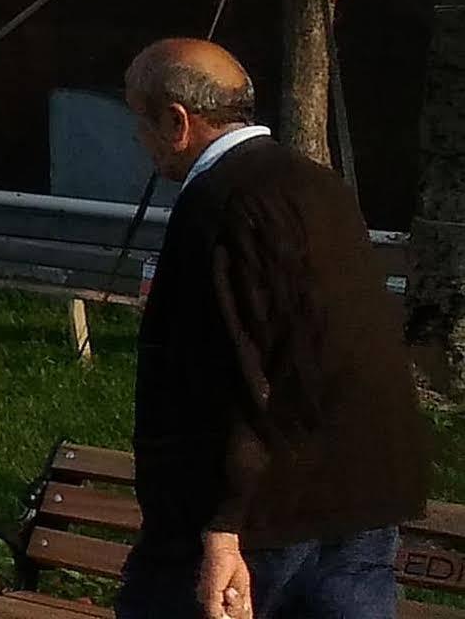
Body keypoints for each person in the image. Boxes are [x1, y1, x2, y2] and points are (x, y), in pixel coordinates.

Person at [115, 39, 423, 619]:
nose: (139, 139)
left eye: (139, 119)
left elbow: (226, 373)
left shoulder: (218, 205)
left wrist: (222, 525)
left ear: (177, 121)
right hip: (362, 496)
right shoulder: (318, 185)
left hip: (267, 515)